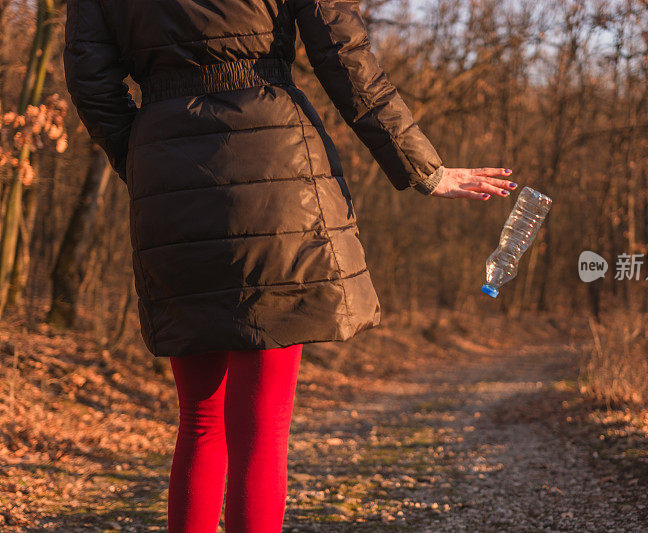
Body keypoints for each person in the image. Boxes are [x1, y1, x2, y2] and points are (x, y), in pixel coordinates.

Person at [62, 0, 517, 530]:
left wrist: (151, 163)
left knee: (201, 419)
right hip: (278, 170)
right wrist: (425, 169)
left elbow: (92, 85)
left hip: (169, 184)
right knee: (261, 428)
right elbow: (344, 56)